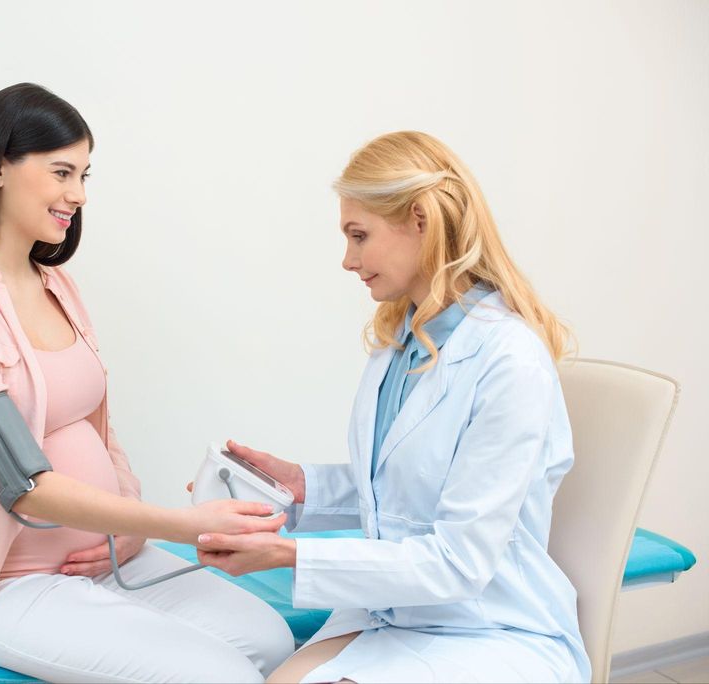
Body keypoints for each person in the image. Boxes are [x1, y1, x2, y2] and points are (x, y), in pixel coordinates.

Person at [0, 83, 294, 683]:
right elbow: (19, 482)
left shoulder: (57, 284)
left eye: (84, 175)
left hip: (105, 557)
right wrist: (181, 524)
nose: (77, 195)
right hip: (7, 583)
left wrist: (125, 531)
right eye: (61, 172)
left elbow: (99, 430)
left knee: (271, 641)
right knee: (218, 674)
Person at [194, 131, 591, 683]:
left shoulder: (509, 360)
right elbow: (404, 489)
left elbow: (459, 562)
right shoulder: (402, 341)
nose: (348, 259)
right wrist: (299, 486)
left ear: (420, 222)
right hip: (392, 609)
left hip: (491, 627)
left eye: (360, 236)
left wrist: (290, 557)